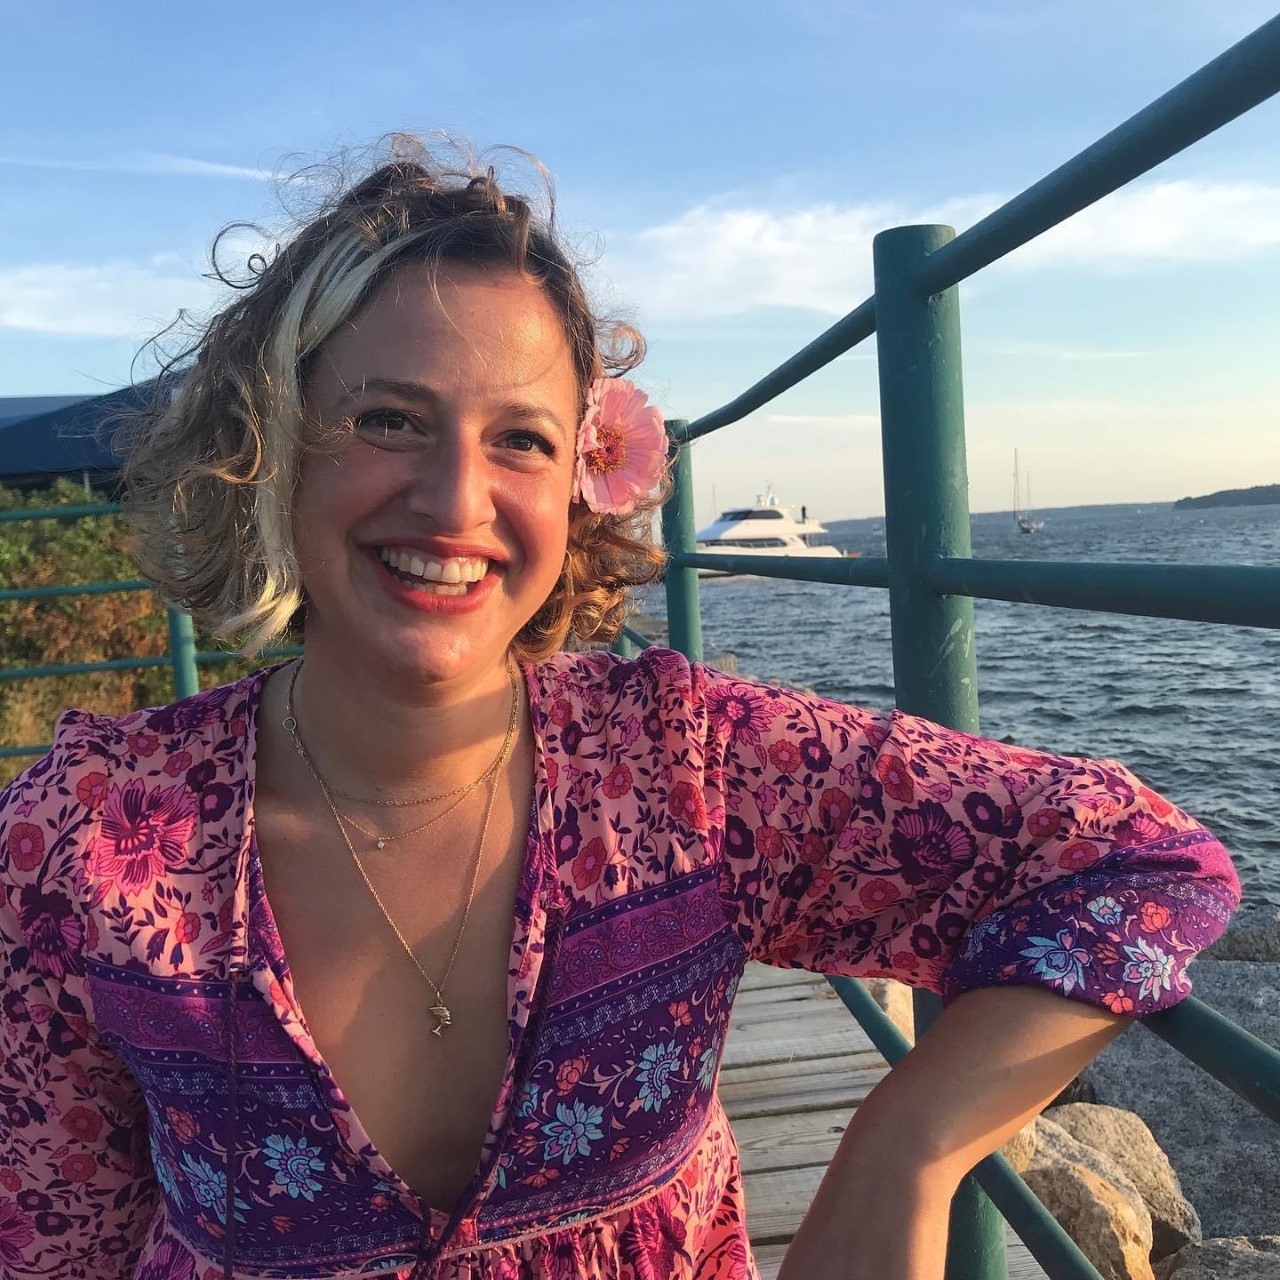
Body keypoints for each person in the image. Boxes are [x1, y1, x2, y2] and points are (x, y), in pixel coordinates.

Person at [0, 140, 1240, 1280]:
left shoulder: (687, 763)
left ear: (582, 478)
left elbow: (1135, 857)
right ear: (271, 438)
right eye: (388, 419)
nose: (453, 499)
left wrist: (904, 1144)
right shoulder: (87, 837)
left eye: (523, 440)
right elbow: (52, 1234)